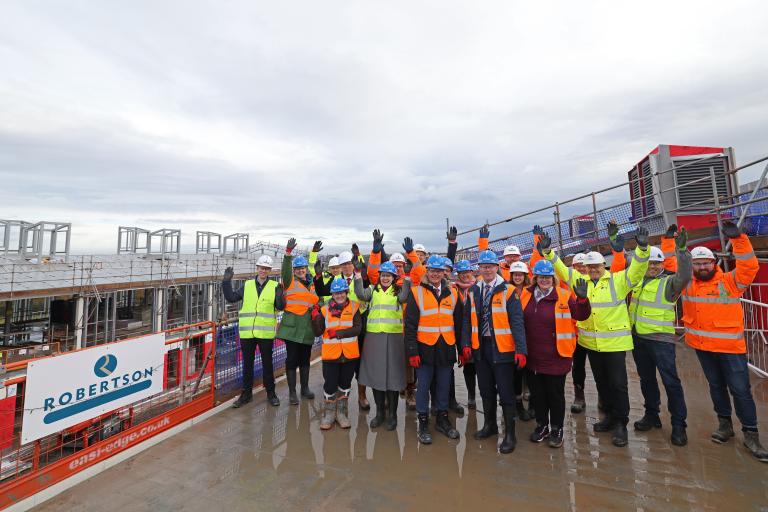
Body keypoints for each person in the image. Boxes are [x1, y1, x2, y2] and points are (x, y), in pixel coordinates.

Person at [536, 227, 650, 447]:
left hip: (614, 344)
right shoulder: (581, 281)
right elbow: (561, 270)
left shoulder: (619, 281)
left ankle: (620, 424)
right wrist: (549, 253)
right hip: (591, 343)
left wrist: (642, 250)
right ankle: (608, 417)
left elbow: (637, 269)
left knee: (618, 385)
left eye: (596, 266)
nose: (592, 270)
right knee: (602, 384)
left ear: (603, 266)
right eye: (589, 267)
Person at [682, 220, 767, 461]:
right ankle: (725, 425)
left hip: (731, 349)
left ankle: (751, 434)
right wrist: (672, 245)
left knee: (740, 391)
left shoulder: (729, 282)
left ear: (713, 263)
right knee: (716, 387)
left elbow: (749, 267)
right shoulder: (688, 285)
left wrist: (740, 240)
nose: (702, 267)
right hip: (703, 348)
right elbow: (671, 265)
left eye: (706, 262)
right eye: (697, 264)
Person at [627, 225, 692, 446]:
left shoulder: (669, 283)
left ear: (662, 264)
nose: (652, 267)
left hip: (661, 341)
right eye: (649, 263)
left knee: (670, 382)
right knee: (646, 380)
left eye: (656, 263)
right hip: (639, 339)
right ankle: (651, 414)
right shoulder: (636, 282)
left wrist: (681, 251)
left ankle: (678, 425)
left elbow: (685, 275)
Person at [520, 260, 591, 448]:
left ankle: (557, 428)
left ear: (553, 278)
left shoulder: (565, 296)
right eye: (541, 277)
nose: (544, 280)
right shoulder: (525, 295)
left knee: (555, 395)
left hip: (557, 356)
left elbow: (581, 315)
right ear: (535, 278)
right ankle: (542, 425)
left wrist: (583, 301)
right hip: (533, 355)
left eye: (548, 277)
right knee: (538, 395)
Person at [462, 249, 527, 454]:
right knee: (486, 389)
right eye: (483, 266)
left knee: (506, 393)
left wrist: (521, 350)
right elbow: (466, 320)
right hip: (481, 349)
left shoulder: (508, 290)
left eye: (490, 266)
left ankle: (510, 434)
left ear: (497, 268)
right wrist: (465, 344)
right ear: (478, 269)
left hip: (502, 349)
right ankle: (490, 426)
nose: (487, 270)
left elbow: (517, 322)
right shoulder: (473, 291)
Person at [405, 255, 464, 444]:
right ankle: (423, 422)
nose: (435, 274)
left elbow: (459, 323)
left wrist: (462, 349)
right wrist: (412, 351)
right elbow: (410, 325)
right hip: (425, 348)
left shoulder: (453, 293)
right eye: (432, 271)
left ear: (444, 272)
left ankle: (442, 419)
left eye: (439, 271)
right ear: (427, 272)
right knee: (423, 386)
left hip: (446, 347)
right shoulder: (416, 293)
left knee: (444, 385)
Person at [355, 261, 411, 430]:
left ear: (394, 278)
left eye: (388, 276)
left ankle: (392, 415)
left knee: (393, 377)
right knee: (377, 376)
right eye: (383, 275)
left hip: (393, 338)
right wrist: (358, 275)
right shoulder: (372, 290)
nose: (385, 278)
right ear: (379, 276)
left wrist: (407, 277)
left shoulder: (399, 292)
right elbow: (360, 294)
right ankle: (380, 413)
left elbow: (406, 297)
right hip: (374, 337)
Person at [222, 255, 283, 408]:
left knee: (267, 365)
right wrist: (226, 281)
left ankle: (271, 393)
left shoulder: (275, 286)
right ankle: (246, 395)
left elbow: (280, 307)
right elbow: (231, 298)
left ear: (269, 271)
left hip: (265, 333)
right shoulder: (247, 285)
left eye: (266, 268)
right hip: (247, 333)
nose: (263, 270)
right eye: (261, 267)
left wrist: (281, 296)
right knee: (247, 365)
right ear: (257, 268)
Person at [315, 248, 371, 410]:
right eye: (343, 265)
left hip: (358, 325)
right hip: (339, 324)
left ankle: (362, 395)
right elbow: (321, 291)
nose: (346, 267)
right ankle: (335, 394)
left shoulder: (360, 277)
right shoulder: (336, 281)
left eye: (348, 264)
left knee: (360, 362)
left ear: (353, 265)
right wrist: (318, 277)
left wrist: (361, 265)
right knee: (338, 362)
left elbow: (368, 292)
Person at [312, 278, 363, 430]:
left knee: (345, 384)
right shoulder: (324, 309)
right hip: (331, 355)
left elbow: (357, 328)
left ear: (346, 292)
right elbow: (317, 332)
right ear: (332, 295)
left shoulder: (354, 307)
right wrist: (314, 319)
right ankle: (329, 415)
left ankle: (341, 413)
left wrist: (339, 333)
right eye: (336, 293)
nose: (339, 296)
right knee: (330, 385)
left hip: (349, 354)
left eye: (341, 292)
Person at [278, 238, 320, 405]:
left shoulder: (311, 284)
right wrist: (288, 254)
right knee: (292, 360)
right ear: (294, 271)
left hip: (307, 328)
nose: (301, 271)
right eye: (298, 269)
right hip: (292, 328)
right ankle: (292, 393)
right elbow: (285, 271)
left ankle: (304, 388)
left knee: (305, 359)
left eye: (303, 268)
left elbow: (316, 300)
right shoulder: (289, 282)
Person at [508, 261, 533, 422]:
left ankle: (533, 406)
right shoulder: (506, 290)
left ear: (525, 276)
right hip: (512, 338)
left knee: (530, 373)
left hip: (531, 336)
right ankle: (516, 405)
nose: (518, 277)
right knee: (515, 374)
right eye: (515, 274)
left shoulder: (532, 292)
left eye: (520, 274)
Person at [453, 259, 478, 409]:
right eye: (461, 273)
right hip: (463, 334)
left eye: (467, 272)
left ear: (472, 272)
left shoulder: (479, 287)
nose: (465, 276)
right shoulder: (454, 290)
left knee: (482, 367)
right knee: (469, 367)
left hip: (478, 333)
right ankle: (471, 396)